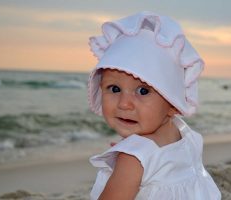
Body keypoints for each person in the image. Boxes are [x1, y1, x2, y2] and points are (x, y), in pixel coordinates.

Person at [87, 11, 221, 200]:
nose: (124, 104)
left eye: (143, 91)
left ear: (173, 104)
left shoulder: (132, 159)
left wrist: (133, 153)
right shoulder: (186, 136)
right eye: (114, 88)